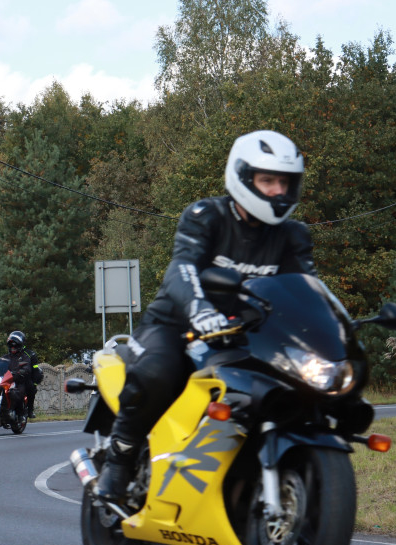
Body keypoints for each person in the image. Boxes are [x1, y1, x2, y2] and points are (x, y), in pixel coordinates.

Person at [94, 129, 315, 502]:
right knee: (158, 373)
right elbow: (181, 270)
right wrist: (201, 310)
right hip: (177, 325)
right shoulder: (205, 216)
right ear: (243, 178)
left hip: (249, 335)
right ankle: (120, 460)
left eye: (285, 182)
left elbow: (308, 293)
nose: (278, 190)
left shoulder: (294, 235)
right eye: (268, 180)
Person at [0, 330, 33, 418]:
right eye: (11, 346)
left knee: (14, 393)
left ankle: (18, 413)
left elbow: (27, 367)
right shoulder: (5, 357)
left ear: (20, 346)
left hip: (18, 381)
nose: (13, 348)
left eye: (15, 346)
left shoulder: (24, 357)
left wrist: (22, 371)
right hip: (6, 381)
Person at [22, 340, 42, 419]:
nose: (13, 347)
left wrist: (35, 383)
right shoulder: (9, 354)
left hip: (26, 378)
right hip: (12, 378)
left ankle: (30, 410)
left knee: (31, 389)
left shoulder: (30, 354)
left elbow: (35, 370)